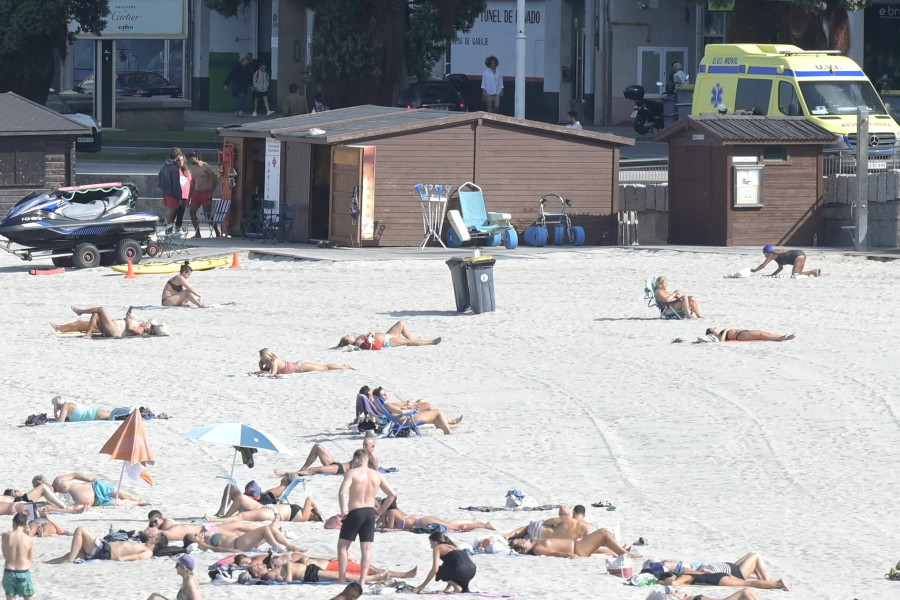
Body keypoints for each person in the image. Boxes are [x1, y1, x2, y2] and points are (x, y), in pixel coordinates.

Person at [336, 449, 398, 586]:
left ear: (357, 459)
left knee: (343, 547)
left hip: (355, 511)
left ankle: (341, 579)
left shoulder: (352, 473)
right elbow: (392, 494)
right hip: (370, 512)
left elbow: (342, 493)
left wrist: (342, 512)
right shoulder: (378, 475)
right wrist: (380, 511)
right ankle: (362, 580)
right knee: (367, 548)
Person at [233, 551, 416, 580]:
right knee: (360, 571)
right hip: (316, 573)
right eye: (253, 568)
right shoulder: (270, 575)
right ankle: (396, 575)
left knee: (366, 566)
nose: (256, 565)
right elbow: (286, 580)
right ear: (256, 575)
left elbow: (297, 560)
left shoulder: (273, 566)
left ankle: (399, 574)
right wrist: (288, 564)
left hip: (319, 566)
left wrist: (291, 561)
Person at [45, 527, 163, 563]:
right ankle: (44, 563)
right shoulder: (142, 545)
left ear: (156, 543)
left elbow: (138, 557)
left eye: (155, 537)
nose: (152, 536)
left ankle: (70, 560)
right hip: (102, 550)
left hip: (104, 550)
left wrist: (122, 558)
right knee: (69, 555)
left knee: (80, 530)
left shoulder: (149, 552)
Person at [277, 436, 380, 477]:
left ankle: (287, 474)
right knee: (317, 447)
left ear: (373, 446)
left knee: (314, 469)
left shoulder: (372, 457)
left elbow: (377, 474)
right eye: (363, 444)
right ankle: (302, 469)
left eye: (366, 445)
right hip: (337, 465)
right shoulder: (363, 453)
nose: (364, 447)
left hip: (339, 469)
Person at [377, 497, 494, 533]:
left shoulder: (392, 512)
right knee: (449, 524)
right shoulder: (398, 511)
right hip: (423, 519)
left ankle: (484, 526)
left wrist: (382, 516)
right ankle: (473, 522)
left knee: (457, 529)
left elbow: (389, 528)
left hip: (422, 522)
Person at [508, 527, 639, 558]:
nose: (523, 539)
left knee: (599, 546)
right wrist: (569, 555)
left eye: (521, 539)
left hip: (576, 545)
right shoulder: (537, 549)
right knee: (603, 533)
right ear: (524, 549)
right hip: (577, 549)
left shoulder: (534, 542)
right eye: (521, 542)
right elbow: (554, 553)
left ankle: (622, 550)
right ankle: (627, 555)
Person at [374, 388, 461, 435]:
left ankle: (444, 426)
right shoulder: (387, 404)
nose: (386, 395)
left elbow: (399, 410)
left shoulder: (385, 404)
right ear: (379, 397)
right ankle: (447, 431)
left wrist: (408, 405)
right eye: (383, 395)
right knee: (438, 412)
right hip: (406, 420)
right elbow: (401, 412)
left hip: (404, 419)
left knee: (432, 411)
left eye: (385, 393)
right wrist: (412, 409)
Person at [208, 489, 323, 524]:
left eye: (312, 510)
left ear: (313, 514)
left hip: (272, 513)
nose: (310, 509)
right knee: (240, 498)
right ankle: (223, 518)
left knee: (241, 516)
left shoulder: (304, 516)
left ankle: (219, 520)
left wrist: (320, 512)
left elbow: (309, 500)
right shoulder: (302, 514)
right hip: (268, 507)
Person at [183, 523, 305, 554]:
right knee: (264, 529)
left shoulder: (207, 537)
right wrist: (231, 551)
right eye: (194, 536)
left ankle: (291, 546)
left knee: (271, 528)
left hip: (240, 541)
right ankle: (278, 548)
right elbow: (216, 550)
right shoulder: (201, 545)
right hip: (237, 545)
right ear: (192, 542)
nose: (197, 534)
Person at [50, 306, 166, 338]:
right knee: (94, 315)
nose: (146, 322)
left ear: (148, 328)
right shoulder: (140, 325)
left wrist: (128, 318)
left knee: (101, 309)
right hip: (112, 325)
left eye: (148, 323)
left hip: (114, 330)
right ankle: (60, 328)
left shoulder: (141, 330)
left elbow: (131, 329)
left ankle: (81, 311)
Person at [145, 510, 256, 543]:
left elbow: (165, 532)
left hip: (206, 530)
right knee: (236, 528)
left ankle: (260, 533)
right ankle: (260, 532)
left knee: (236, 532)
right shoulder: (167, 526)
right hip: (205, 529)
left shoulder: (167, 524)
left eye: (154, 522)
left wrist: (153, 530)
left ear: (159, 518)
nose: (155, 525)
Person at [51, 473, 149, 508]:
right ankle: (138, 503)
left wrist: (89, 479)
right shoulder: (51, 499)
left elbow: (74, 475)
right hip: (96, 501)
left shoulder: (58, 481)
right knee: (119, 503)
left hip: (94, 487)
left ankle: (137, 499)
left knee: (120, 493)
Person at [2, 475, 86, 514]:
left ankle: (70, 509)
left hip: (19, 503)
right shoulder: (6, 499)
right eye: (13, 492)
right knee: (43, 487)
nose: (16, 491)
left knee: (45, 504)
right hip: (18, 503)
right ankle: (67, 508)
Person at [504, 505, 590, 541]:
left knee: (527, 528)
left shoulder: (568, 519)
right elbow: (586, 541)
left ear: (574, 513)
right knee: (526, 535)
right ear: (584, 516)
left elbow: (549, 521)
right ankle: (512, 536)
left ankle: (509, 535)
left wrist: (556, 524)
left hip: (539, 530)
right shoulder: (586, 527)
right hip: (543, 540)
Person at [337, 320, 441, 350]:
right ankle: (431, 342)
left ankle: (412, 341)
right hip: (387, 342)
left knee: (401, 323)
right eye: (347, 337)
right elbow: (369, 344)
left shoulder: (358, 338)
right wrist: (370, 335)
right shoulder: (357, 341)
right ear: (349, 342)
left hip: (387, 335)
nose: (349, 334)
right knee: (409, 341)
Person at [158, 147, 193, 230]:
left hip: (166, 192)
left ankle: (168, 231)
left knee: (170, 213)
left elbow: (159, 180)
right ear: (177, 156)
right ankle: (168, 232)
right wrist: (179, 197)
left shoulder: (164, 166)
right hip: (172, 194)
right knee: (171, 214)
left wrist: (163, 189)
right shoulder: (174, 168)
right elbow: (176, 185)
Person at [656, 570, 792, 591]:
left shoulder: (683, 576)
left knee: (748, 584)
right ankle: (776, 583)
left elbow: (675, 583)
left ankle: (778, 583)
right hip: (718, 575)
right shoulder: (687, 571)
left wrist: (662, 582)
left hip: (718, 580)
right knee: (747, 581)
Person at [187, 152, 220, 238]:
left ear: (197, 157)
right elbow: (192, 185)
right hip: (197, 193)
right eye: (189, 158)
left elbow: (214, 177)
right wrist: (189, 198)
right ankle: (197, 233)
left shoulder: (205, 166)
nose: (190, 160)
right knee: (192, 211)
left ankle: (217, 231)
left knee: (207, 214)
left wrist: (211, 191)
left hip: (206, 192)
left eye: (192, 158)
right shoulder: (193, 170)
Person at [2, 513, 34, 599]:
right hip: (22, 572)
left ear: (14, 523)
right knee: (28, 597)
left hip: (9, 571)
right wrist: (27, 534)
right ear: (25, 525)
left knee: (10, 597)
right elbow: (30, 559)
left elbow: (5, 555)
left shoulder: (5, 536)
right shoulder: (29, 539)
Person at [255, 348, 353, 376]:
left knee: (325, 368)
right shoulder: (271, 362)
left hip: (301, 367)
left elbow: (272, 374)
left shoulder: (274, 361)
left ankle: (345, 367)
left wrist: (260, 371)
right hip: (300, 366)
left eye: (261, 357)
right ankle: (343, 366)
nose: (261, 359)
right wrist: (261, 367)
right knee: (324, 367)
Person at [752, 245, 821, 277]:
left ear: (767, 252)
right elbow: (780, 268)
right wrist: (773, 275)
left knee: (795, 275)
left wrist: (755, 270)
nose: (764, 256)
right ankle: (815, 272)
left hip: (798, 256)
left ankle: (813, 271)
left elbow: (763, 265)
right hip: (800, 254)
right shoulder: (776, 255)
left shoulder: (772, 255)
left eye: (765, 254)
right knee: (798, 273)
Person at [706, 327, 795, 342]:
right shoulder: (719, 335)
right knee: (761, 335)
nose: (716, 328)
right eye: (714, 329)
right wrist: (727, 329)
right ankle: (781, 338)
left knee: (764, 333)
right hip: (740, 335)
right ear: (713, 332)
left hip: (743, 332)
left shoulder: (721, 332)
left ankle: (782, 336)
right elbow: (721, 340)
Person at [646, 590, 762, 600]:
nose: (678, 591)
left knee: (747, 592)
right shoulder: (695, 598)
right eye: (676, 592)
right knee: (745, 592)